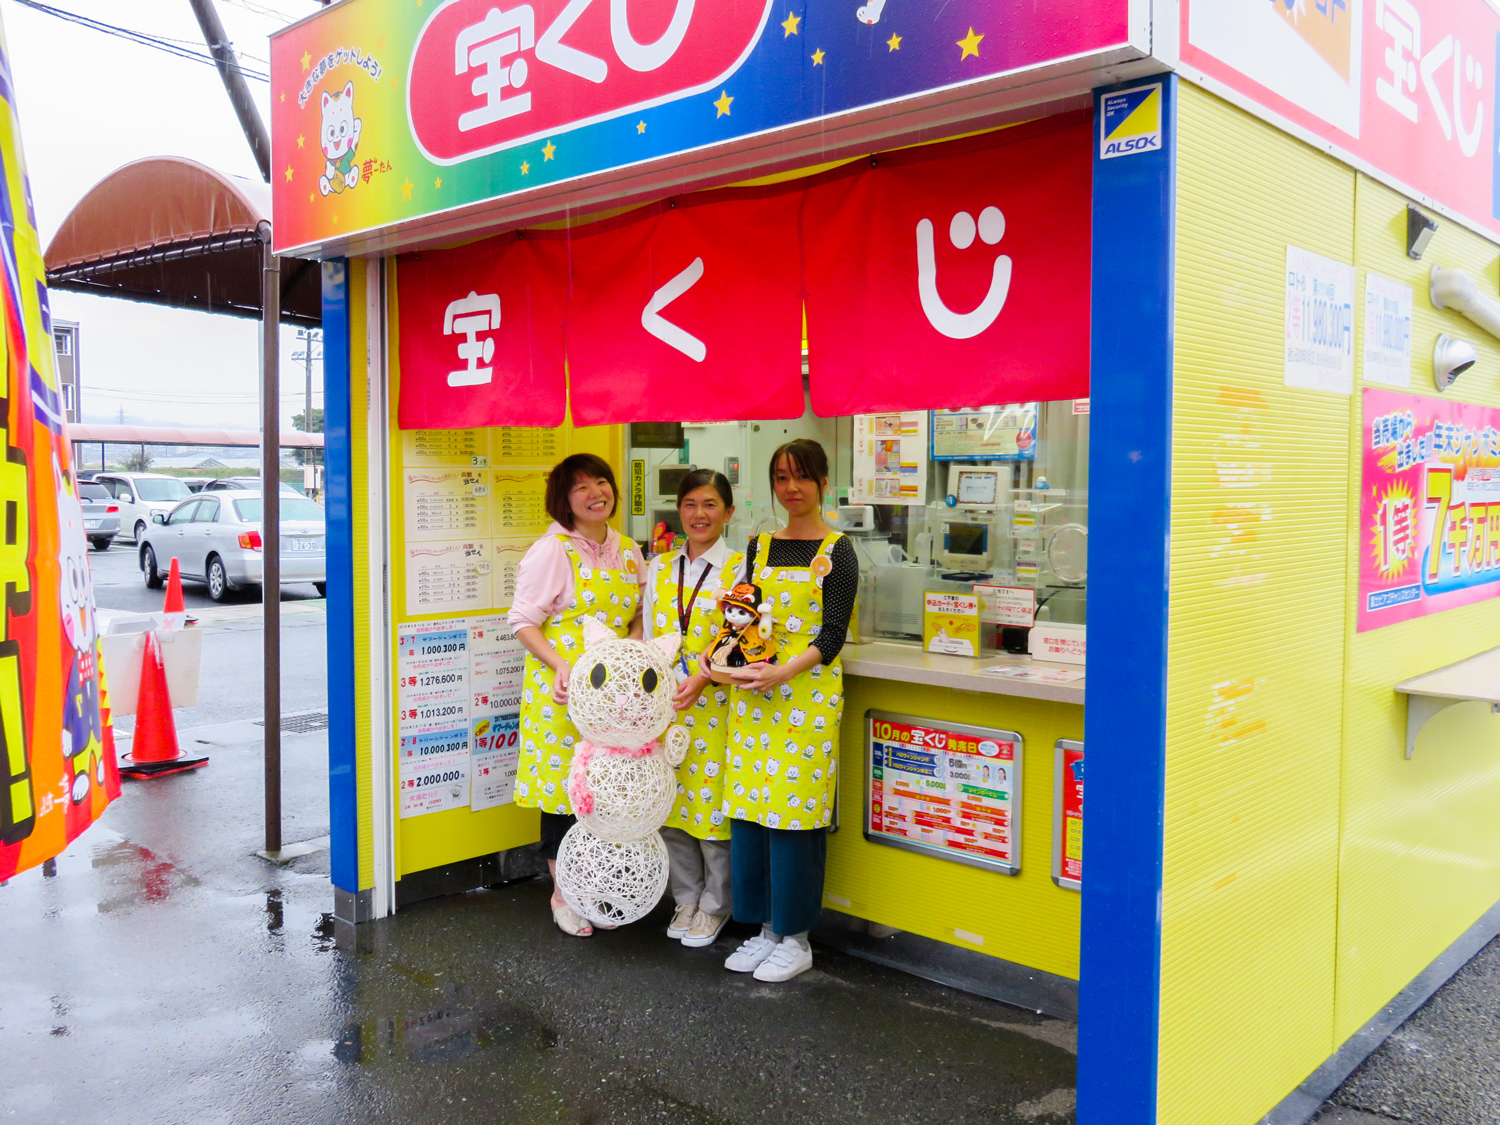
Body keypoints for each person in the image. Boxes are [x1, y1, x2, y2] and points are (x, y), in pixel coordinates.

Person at [704, 439, 858, 983]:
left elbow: (832, 635)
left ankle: (796, 938)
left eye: (802, 477)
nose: (791, 488)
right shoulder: (759, 545)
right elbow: (745, 615)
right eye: (782, 478)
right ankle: (765, 929)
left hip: (806, 697)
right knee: (751, 812)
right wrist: (722, 657)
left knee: (795, 817)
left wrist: (784, 672)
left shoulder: (839, 551)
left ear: (822, 482)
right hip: (754, 695)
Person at [509, 453, 645, 938]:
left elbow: (639, 615)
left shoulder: (628, 549)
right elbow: (523, 621)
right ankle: (563, 895)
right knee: (566, 793)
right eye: (581, 487)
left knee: (606, 794)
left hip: (616, 699)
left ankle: (597, 888)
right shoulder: (552, 550)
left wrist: (631, 651)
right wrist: (561, 664)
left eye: (601, 482)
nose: (595, 494)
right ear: (564, 500)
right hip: (564, 694)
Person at [643, 469, 744, 949]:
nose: (699, 515)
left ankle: (715, 905)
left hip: (715, 705)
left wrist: (703, 677)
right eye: (689, 505)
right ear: (678, 510)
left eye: (710, 505)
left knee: (711, 809)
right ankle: (685, 898)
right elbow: (649, 635)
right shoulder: (661, 568)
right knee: (672, 806)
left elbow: (739, 635)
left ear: (728, 512)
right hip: (666, 707)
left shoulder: (740, 568)